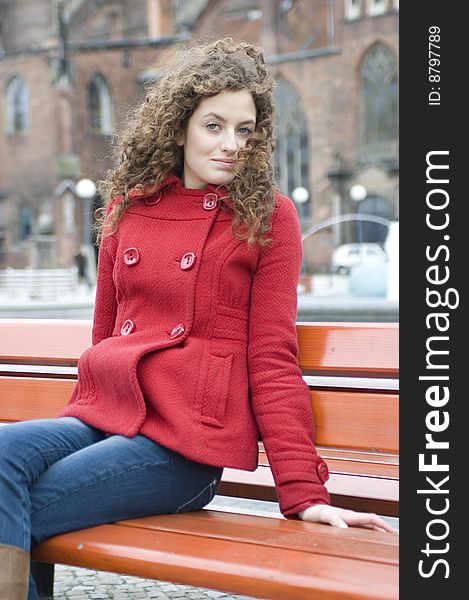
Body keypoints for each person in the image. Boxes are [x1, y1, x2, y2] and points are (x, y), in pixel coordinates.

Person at [0, 37, 397, 600]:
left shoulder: (267, 216)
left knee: (25, 505)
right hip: (109, 416)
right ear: (179, 124)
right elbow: (106, 335)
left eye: (245, 129)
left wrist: (304, 493)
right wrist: (83, 424)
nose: (231, 144)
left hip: (185, 445)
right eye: (215, 126)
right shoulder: (129, 207)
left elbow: (272, 358)